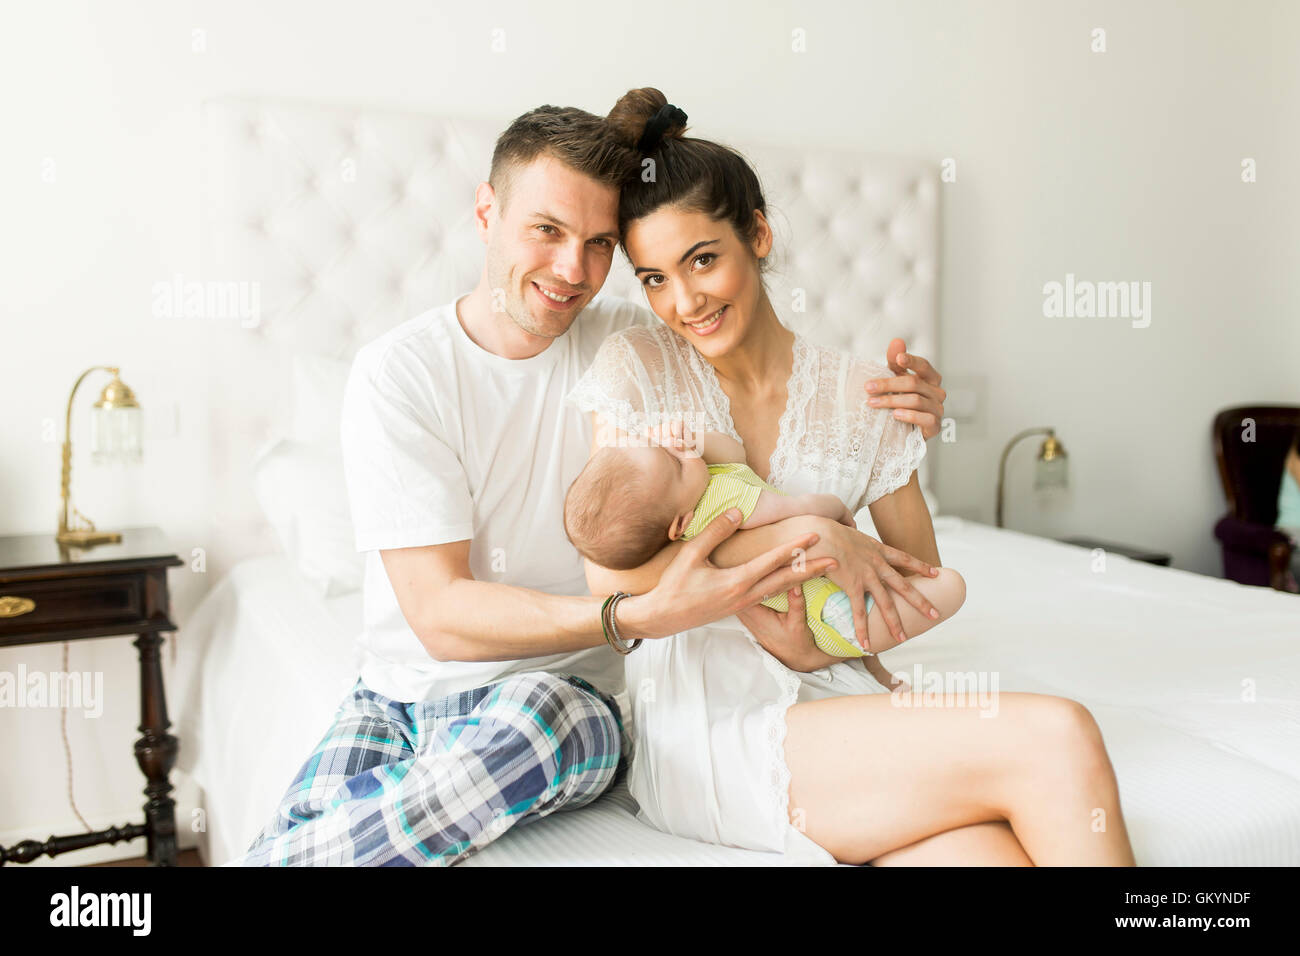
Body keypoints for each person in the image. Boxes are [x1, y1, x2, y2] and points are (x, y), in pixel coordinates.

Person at [228, 102, 948, 866]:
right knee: (295, 828)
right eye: (547, 230)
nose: (573, 270)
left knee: (533, 718)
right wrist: (636, 612)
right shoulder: (401, 372)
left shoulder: (642, 350)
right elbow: (439, 614)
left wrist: (905, 404)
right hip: (397, 692)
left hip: (567, 697)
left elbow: (768, 374)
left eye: (599, 244)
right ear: (486, 211)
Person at [567, 87, 1138, 865]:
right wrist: (814, 534)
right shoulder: (637, 368)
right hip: (714, 728)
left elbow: (917, 578)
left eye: (703, 259)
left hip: (845, 701)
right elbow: (612, 580)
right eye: (656, 278)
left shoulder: (865, 394)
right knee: (1057, 734)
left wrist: (826, 648)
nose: (685, 300)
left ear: (758, 235)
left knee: (991, 856)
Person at [562, 423, 966, 659]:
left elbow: (732, 452)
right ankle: (841, 655)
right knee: (949, 587)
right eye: (673, 461)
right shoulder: (721, 501)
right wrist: (837, 510)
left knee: (916, 591)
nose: (681, 451)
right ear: (681, 521)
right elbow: (802, 513)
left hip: (820, 605)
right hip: (826, 611)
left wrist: (688, 447)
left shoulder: (689, 498)